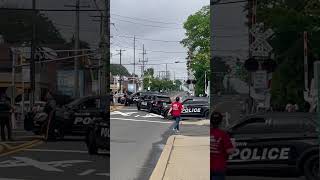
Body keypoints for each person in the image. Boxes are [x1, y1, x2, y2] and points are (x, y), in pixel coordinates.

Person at [211, 111, 235, 180]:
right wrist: (232, 140)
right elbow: (230, 151)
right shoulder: (223, 134)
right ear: (221, 122)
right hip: (219, 167)